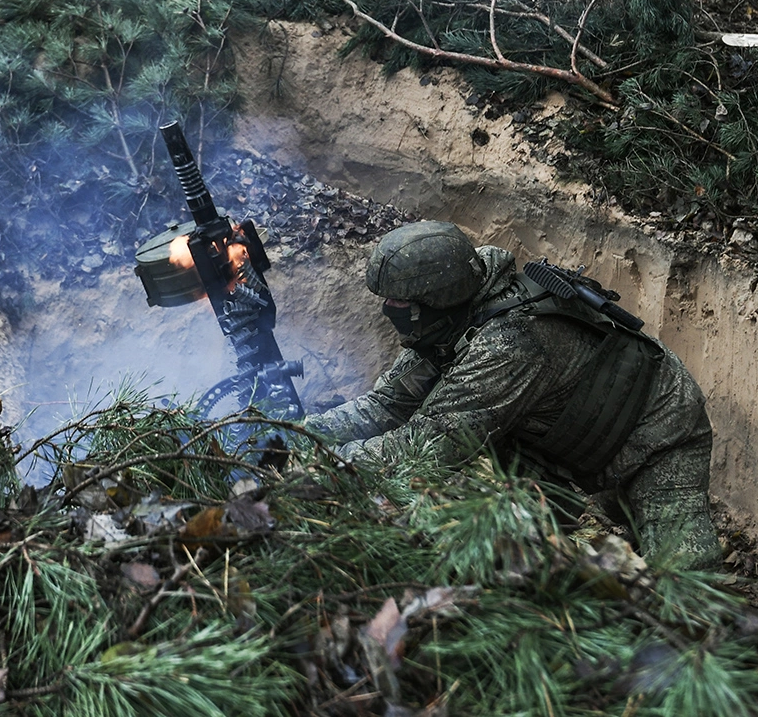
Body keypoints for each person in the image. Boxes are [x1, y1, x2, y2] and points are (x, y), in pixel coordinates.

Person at [304, 221, 722, 568]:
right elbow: (386, 404)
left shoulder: (510, 343)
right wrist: (298, 434)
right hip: (565, 439)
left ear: (436, 296)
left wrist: (314, 465)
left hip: (659, 431)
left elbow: (425, 448)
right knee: (525, 558)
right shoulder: (456, 318)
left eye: (399, 301)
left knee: (688, 589)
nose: (390, 309)